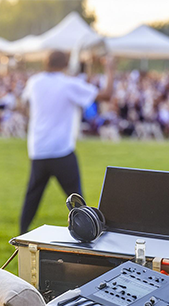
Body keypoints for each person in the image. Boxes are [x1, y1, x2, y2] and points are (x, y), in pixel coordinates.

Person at [19, 51, 115, 234]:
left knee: (32, 197)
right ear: (65, 65)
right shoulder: (68, 84)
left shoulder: (35, 82)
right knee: (77, 201)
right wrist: (110, 69)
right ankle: (88, 232)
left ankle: (21, 234)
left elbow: (24, 104)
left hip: (38, 149)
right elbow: (106, 95)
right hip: (61, 150)